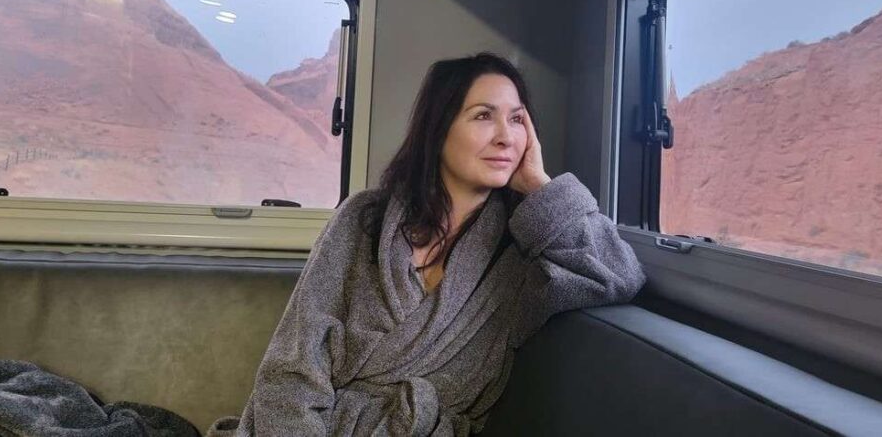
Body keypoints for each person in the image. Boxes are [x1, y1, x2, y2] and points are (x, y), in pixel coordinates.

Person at [208, 53, 646, 437]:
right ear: (438, 129)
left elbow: (619, 274)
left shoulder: (520, 256)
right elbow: (293, 368)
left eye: (516, 119)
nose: (505, 137)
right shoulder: (364, 219)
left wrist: (540, 186)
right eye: (483, 116)